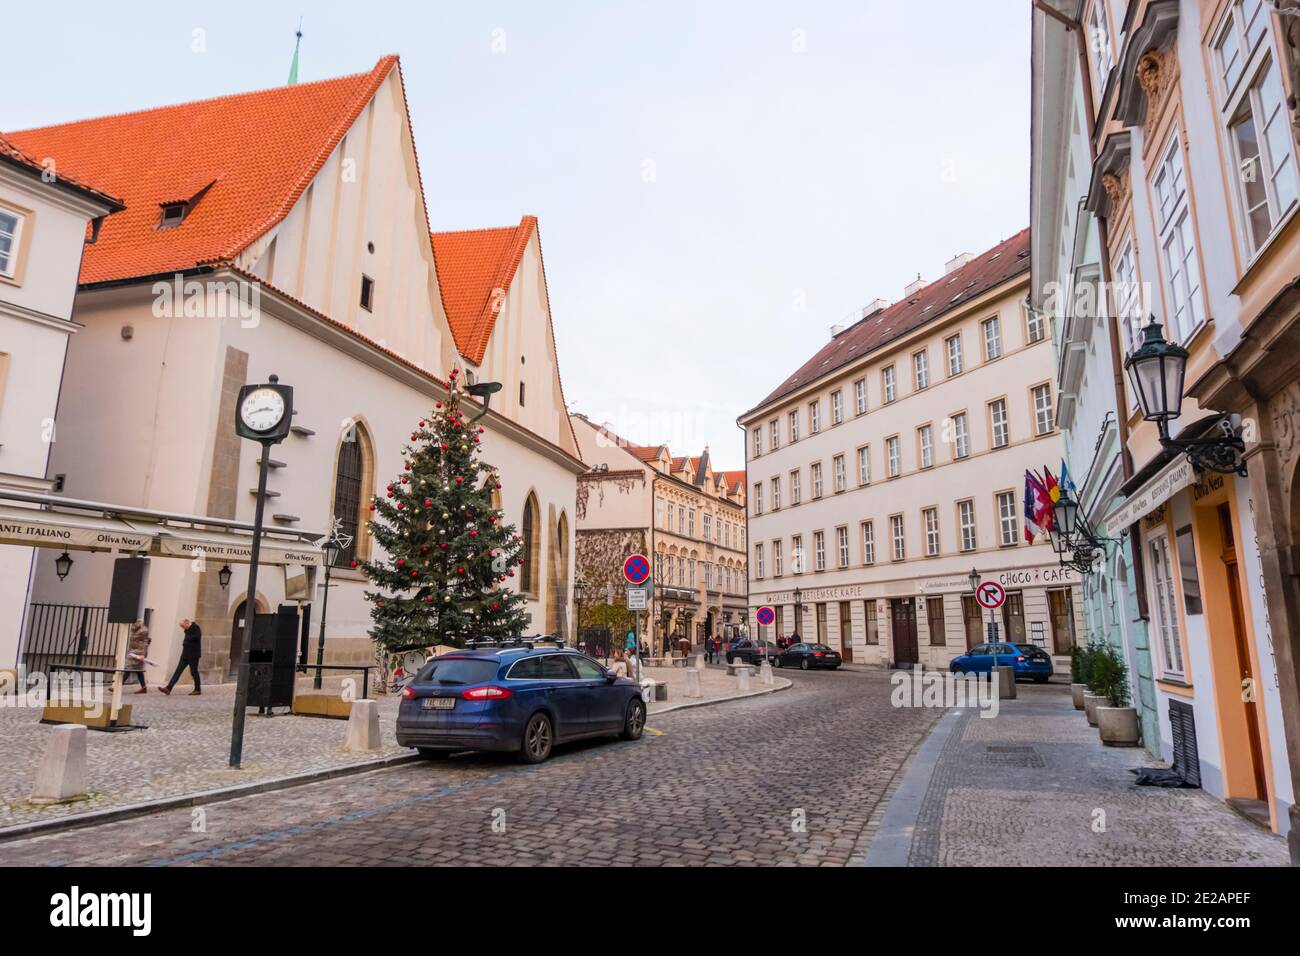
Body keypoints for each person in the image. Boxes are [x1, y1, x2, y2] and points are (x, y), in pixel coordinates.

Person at [160, 618, 202, 696]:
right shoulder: (187, 630)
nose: (183, 628)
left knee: (194, 672)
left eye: (183, 626)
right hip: (185, 655)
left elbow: (197, 637)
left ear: (187, 623)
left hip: (193, 655)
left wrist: (187, 639)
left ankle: (197, 689)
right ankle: (168, 688)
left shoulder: (195, 627)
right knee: (178, 671)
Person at [125, 623, 151, 694]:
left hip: (138, 652)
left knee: (127, 667)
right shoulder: (134, 629)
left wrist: (143, 654)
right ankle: (144, 688)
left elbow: (145, 643)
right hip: (133, 651)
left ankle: (116, 686)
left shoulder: (143, 631)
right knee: (139, 670)